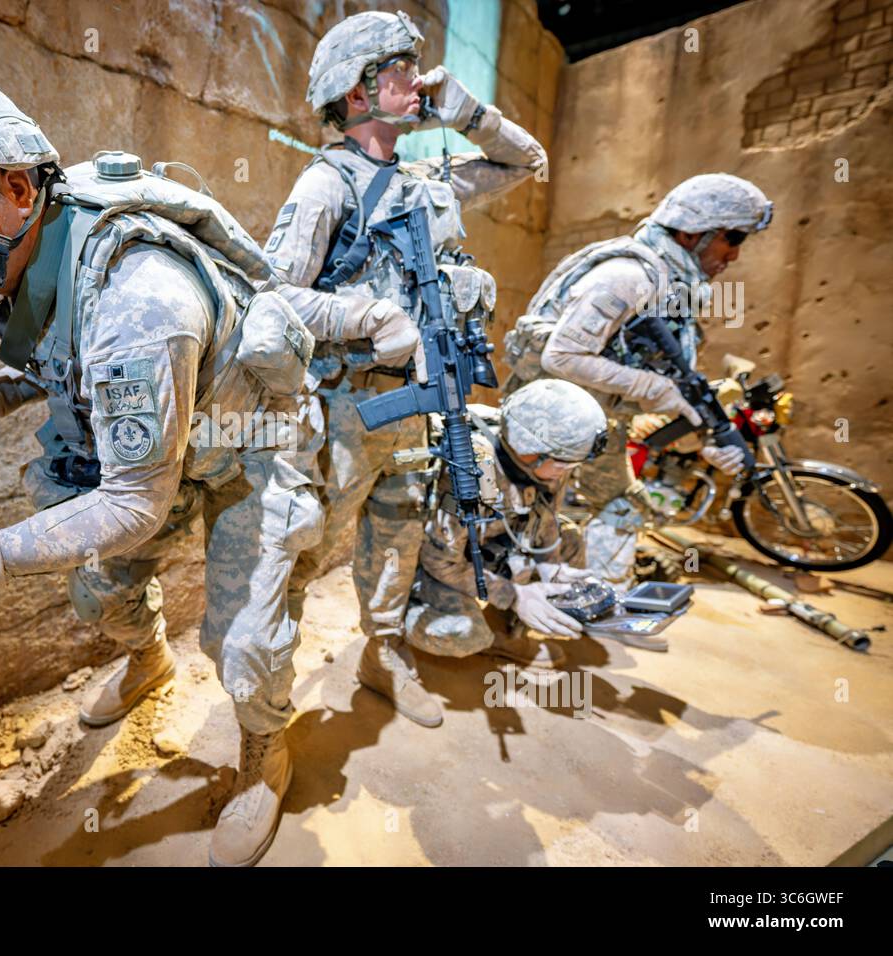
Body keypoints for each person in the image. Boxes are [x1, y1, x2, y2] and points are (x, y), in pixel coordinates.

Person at [0, 66, 322, 866]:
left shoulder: (142, 298)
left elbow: (133, 503)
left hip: (244, 450)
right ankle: (147, 659)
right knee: (101, 589)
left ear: (18, 189)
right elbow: (64, 354)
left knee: (246, 642)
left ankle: (263, 755)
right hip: (152, 442)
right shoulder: (26, 256)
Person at [262, 9, 547, 726]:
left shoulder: (432, 181)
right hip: (344, 409)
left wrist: (473, 115)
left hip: (422, 405)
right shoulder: (327, 184)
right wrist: (366, 317)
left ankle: (382, 649)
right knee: (301, 550)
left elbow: (526, 162)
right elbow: (271, 298)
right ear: (358, 92)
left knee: (399, 534)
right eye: (399, 72)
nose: (418, 82)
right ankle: (265, 691)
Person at [503, 173, 772, 596]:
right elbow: (563, 356)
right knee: (523, 518)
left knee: (619, 506)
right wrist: (657, 390)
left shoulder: (673, 283)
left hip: (599, 419)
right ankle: (511, 606)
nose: (734, 255)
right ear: (691, 233)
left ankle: (601, 600)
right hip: (543, 423)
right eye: (731, 238)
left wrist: (707, 437)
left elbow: (661, 372)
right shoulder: (627, 275)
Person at [405, 380, 609, 671]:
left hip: (493, 545)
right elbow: (440, 561)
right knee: (465, 634)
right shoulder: (472, 470)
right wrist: (514, 596)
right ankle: (396, 627)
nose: (567, 473)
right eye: (565, 464)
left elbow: (547, 517)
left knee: (570, 541)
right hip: (438, 562)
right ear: (530, 452)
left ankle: (506, 636)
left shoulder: (548, 465)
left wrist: (549, 565)